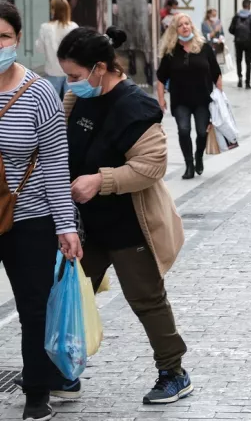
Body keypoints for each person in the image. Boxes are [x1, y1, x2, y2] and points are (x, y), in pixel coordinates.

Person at [57, 26, 192, 406]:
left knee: (146, 299)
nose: (70, 83)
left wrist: (101, 180)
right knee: (68, 294)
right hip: (86, 226)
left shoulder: (136, 106)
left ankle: (174, 372)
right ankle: (63, 367)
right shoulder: (77, 97)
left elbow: (152, 166)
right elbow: (60, 139)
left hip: (131, 225)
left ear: (100, 68)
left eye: (75, 75)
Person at [0, 0, 82, 421]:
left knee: (33, 307)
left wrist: (65, 226)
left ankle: (36, 392)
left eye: (3, 36)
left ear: (17, 39)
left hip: (28, 218)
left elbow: (54, 163)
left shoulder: (39, 94)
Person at [157, 13, 222, 179]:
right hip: (181, 101)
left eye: (187, 23)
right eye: (180, 25)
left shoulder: (204, 47)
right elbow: (161, 78)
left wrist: (219, 98)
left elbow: (217, 74)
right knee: (184, 130)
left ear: (192, 26)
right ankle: (189, 165)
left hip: (203, 99)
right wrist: (161, 99)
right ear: (175, 29)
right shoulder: (171, 52)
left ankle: (199, 155)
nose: (185, 27)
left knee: (202, 132)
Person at [35, 0, 79, 98]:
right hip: (70, 71)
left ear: (54, 10)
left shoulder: (45, 27)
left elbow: (39, 49)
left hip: (52, 70)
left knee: (51, 102)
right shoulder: (73, 27)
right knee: (70, 104)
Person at [228, 0, 251, 89]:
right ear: (249, 6)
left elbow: (230, 30)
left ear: (242, 5)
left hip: (238, 42)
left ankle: (240, 79)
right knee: (248, 62)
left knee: (238, 61)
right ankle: (247, 83)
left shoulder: (236, 17)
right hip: (248, 42)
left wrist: (237, 34)